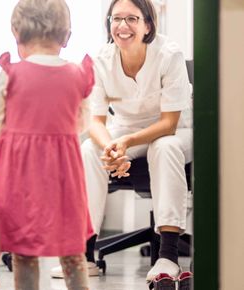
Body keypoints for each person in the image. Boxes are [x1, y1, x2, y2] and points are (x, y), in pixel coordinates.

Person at [49, 0, 193, 285]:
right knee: (88, 150)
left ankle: (168, 256)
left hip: (176, 130)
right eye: (116, 19)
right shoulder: (99, 60)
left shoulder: (168, 55)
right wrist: (111, 149)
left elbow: (169, 123)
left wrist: (125, 142)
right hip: (125, 129)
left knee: (164, 147)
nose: (122, 26)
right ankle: (84, 254)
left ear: (147, 25)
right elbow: (95, 121)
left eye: (132, 19)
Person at [0, 0, 95, 289]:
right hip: (63, 176)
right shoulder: (78, 75)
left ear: (16, 33)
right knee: (72, 250)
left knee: (24, 249)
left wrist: (10, 145)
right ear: (66, 36)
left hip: (18, 174)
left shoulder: (11, 74)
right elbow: (82, 123)